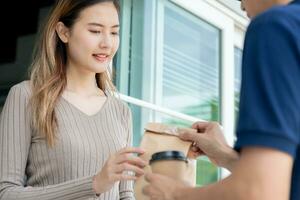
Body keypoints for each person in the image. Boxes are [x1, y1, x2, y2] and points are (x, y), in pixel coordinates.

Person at [143, 0, 300, 199]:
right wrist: (226, 156)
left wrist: (176, 193)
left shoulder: (276, 28)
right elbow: (283, 179)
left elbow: (258, 191)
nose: (241, 6)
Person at [0, 0, 147, 199]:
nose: (107, 43)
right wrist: (93, 184)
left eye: (114, 32)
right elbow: (7, 193)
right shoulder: (26, 96)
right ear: (64, 32)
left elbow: (125, 194)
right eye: (95, 31)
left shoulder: (121, 111)